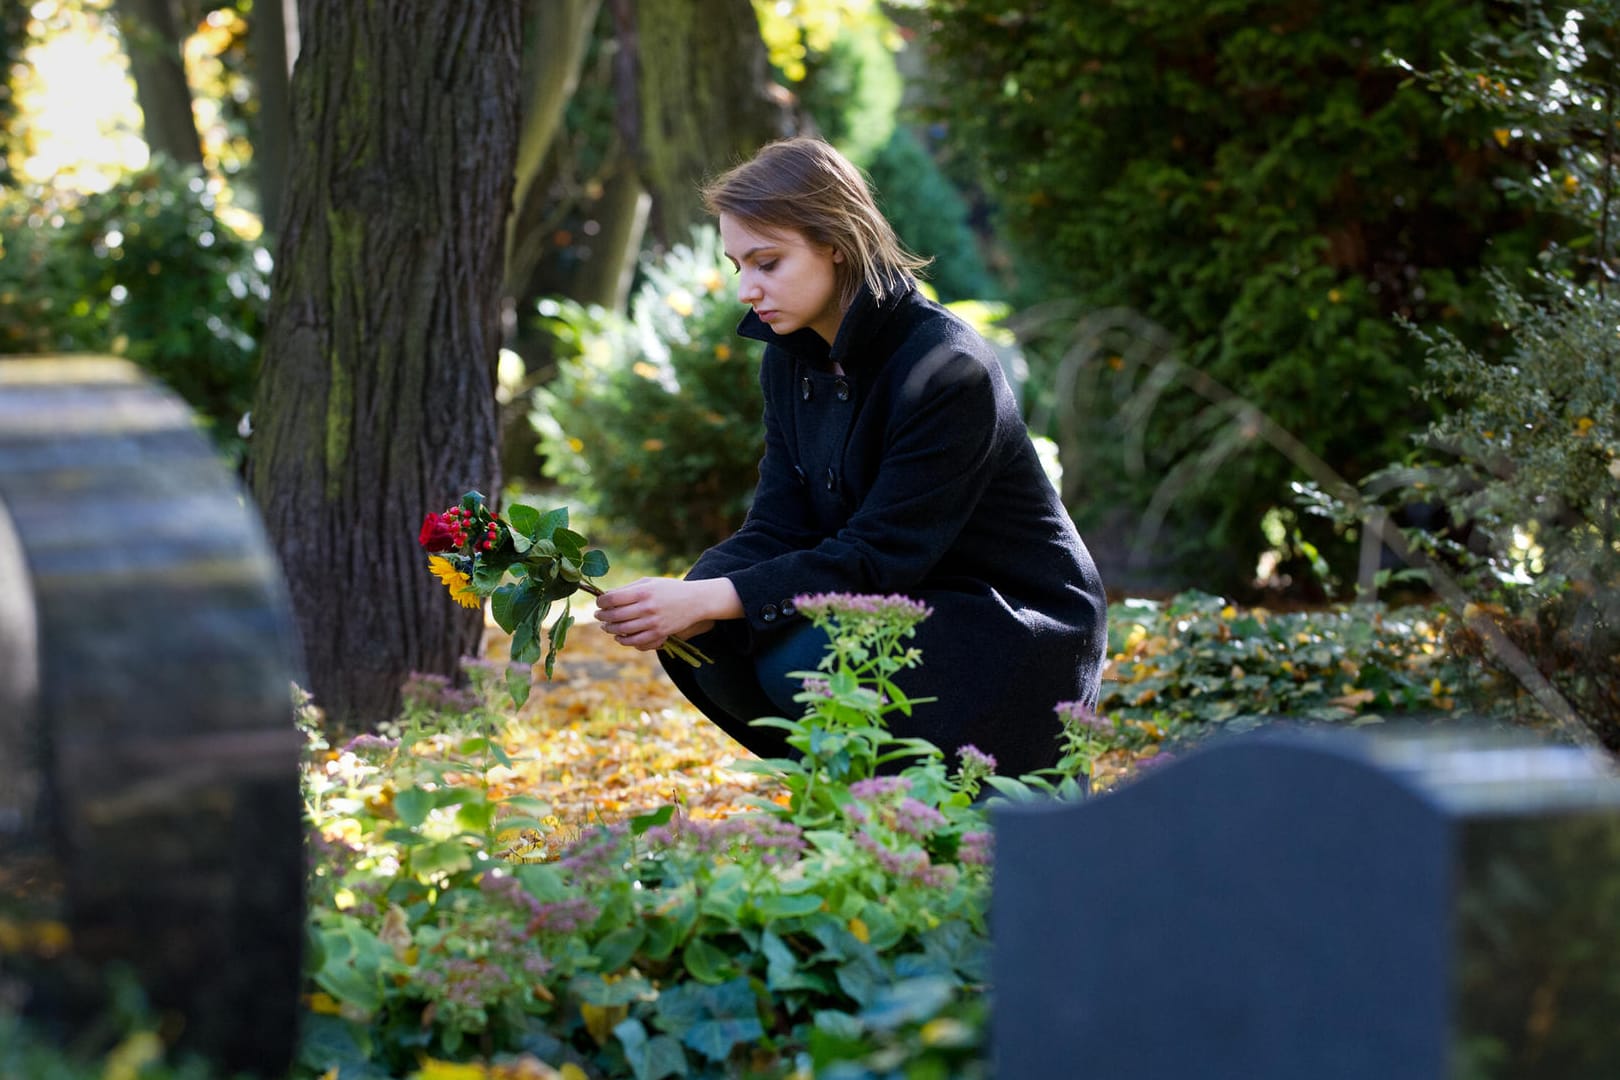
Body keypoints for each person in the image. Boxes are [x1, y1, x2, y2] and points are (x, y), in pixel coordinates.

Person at [592, 136, 1107, 778]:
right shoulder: (791, 359)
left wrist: (715, 596)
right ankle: (851, 798)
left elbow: (882, 553)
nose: (748, 289)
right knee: (701, 639)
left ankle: (973, 797)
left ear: (836, 243)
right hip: (906, 600)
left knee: (798, 656)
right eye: (738, 267)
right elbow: (780, 525)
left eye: (768, 262)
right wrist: (686, 597)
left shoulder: (947, 367)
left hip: (1008, 623)